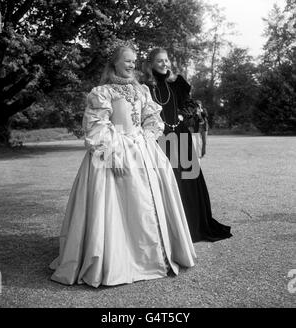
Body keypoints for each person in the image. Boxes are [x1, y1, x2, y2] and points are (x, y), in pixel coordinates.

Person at [49, 43, 196, 288]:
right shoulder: (102, 92)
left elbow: (152, 118)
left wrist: (146, 139)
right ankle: (118, 258)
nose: (131, 65)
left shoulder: (141, 90)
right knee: (116, 206)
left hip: (143, 149)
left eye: (134, 61)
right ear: (115, 62)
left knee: (148, 204)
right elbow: (96, 125)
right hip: (114, 149)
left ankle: (151, 255)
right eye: (127, 60)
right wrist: (112, 153)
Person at [143, 47, 232, 243]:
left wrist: (183, 114)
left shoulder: (178, 83)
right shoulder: (144, 87)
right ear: (151, 64)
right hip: (159, 138)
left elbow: (191, 104)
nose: (164, 64)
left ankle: (192, 225)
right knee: (167, 179)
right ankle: (169, 228)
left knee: (187, 178)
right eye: (159, 61)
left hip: (180, 134)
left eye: (166, 60)